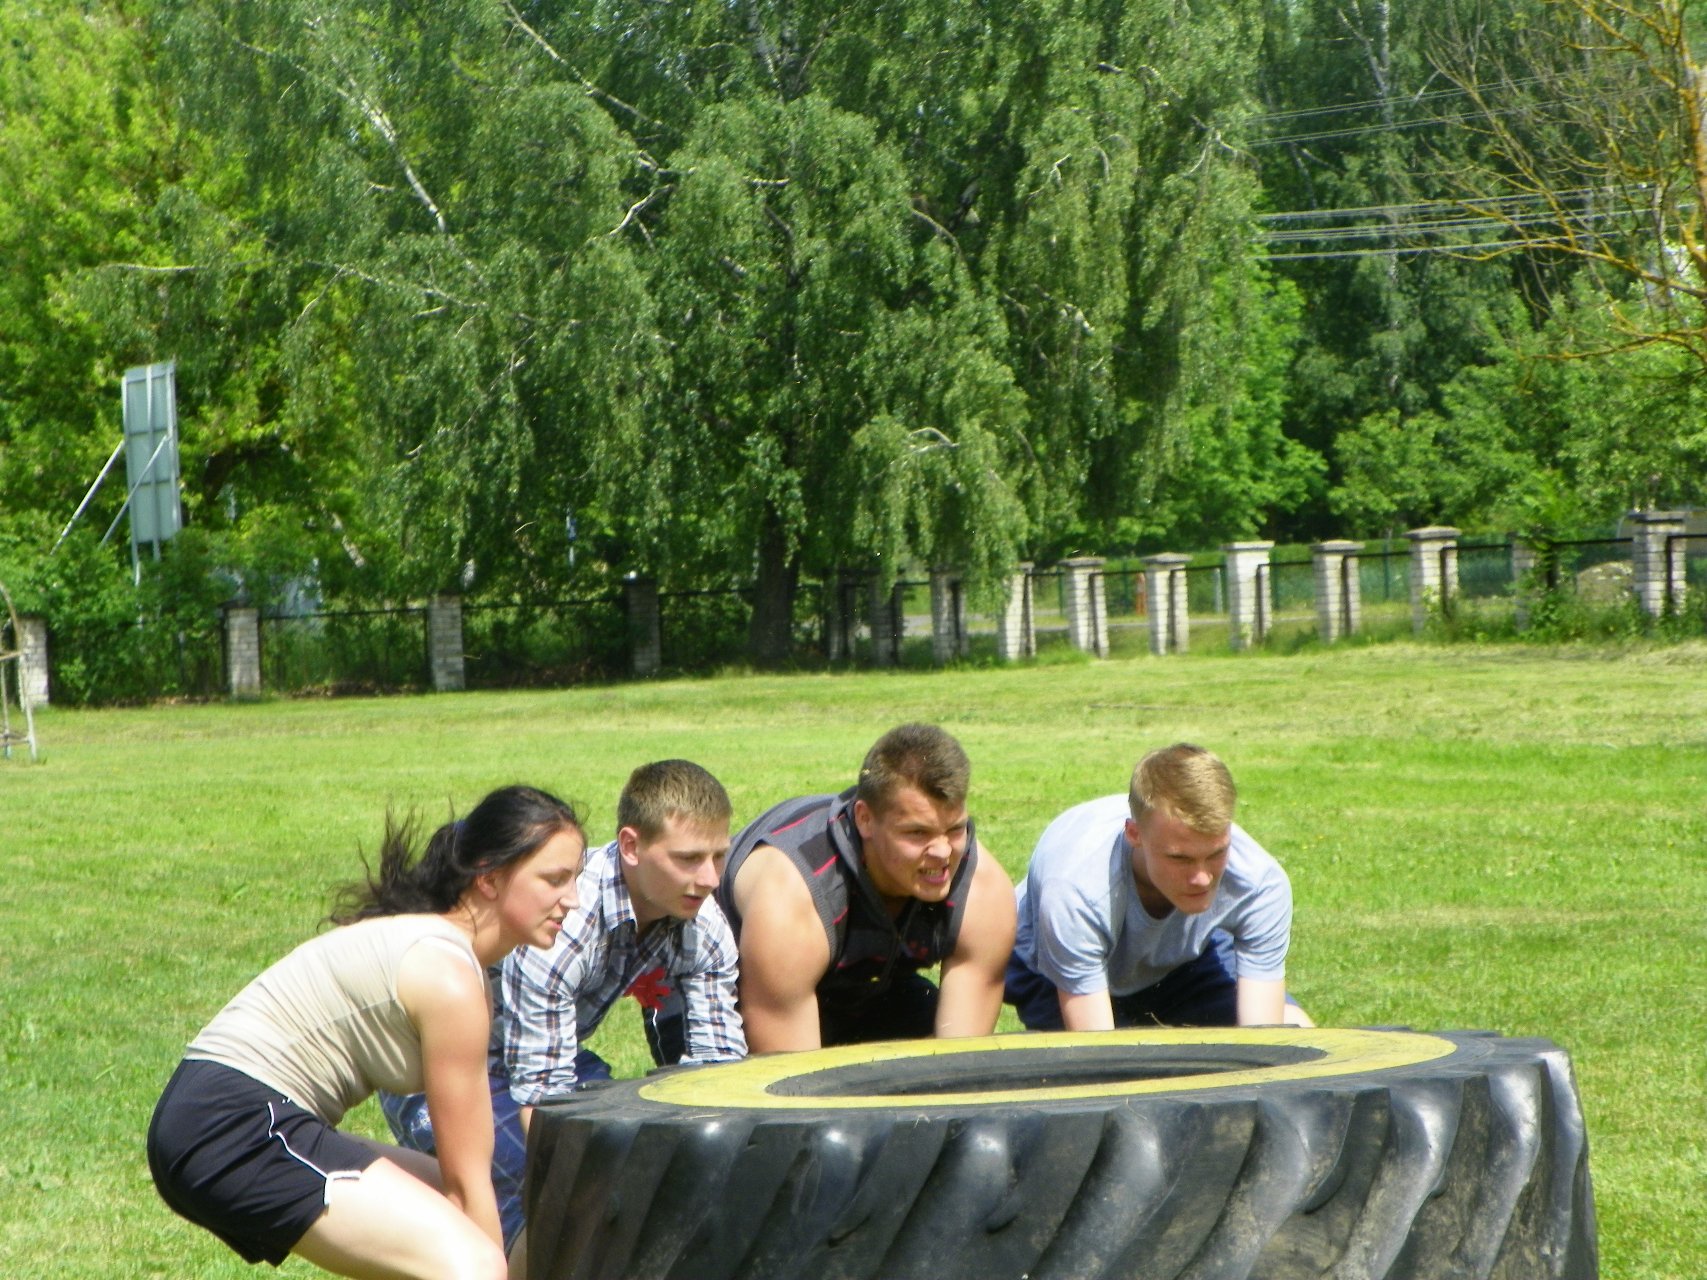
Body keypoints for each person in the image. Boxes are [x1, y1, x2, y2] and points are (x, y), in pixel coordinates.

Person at [147, 785, 585, 1280]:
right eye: (554, 879)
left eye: (575, 879)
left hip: (227, 1117)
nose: (572, 900)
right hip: (230, 1126)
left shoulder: (449, 957)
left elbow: (462, 1183)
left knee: (445, 1200)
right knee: (472, 1263)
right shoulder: (449, 977)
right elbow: (468, 1186)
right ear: (489, 877)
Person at [380, 760, 745, 1250]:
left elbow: (720, 1073)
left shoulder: (705, 926)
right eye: (688, 859)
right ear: (631, 846)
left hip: (548, 1060)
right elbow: (543, 1105)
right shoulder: (566, 926)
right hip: (436, 1070)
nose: (710, 878)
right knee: (559, 1208)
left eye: (719, 856)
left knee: (645, 1173)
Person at [718, 722, 1016, 1052]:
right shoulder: (793, 893)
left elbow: (960, 1057)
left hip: (868, 988)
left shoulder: (981, 888)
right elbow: (786, 1073)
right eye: (917, 833)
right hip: (728, 994)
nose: (943, 852)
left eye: (955, 829)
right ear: (865, 819)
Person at [1005, 743, 1313, 1031]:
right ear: (1134, 835)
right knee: (1125, 1067)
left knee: (1296, 1029)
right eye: (1180, 858)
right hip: (1052, 966)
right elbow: (1098, 1052)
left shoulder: (1259, 884)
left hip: (1185, 960)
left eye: (1216, 853)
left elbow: (1264, 1036)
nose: (1202, 878)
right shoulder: (1076, 892)